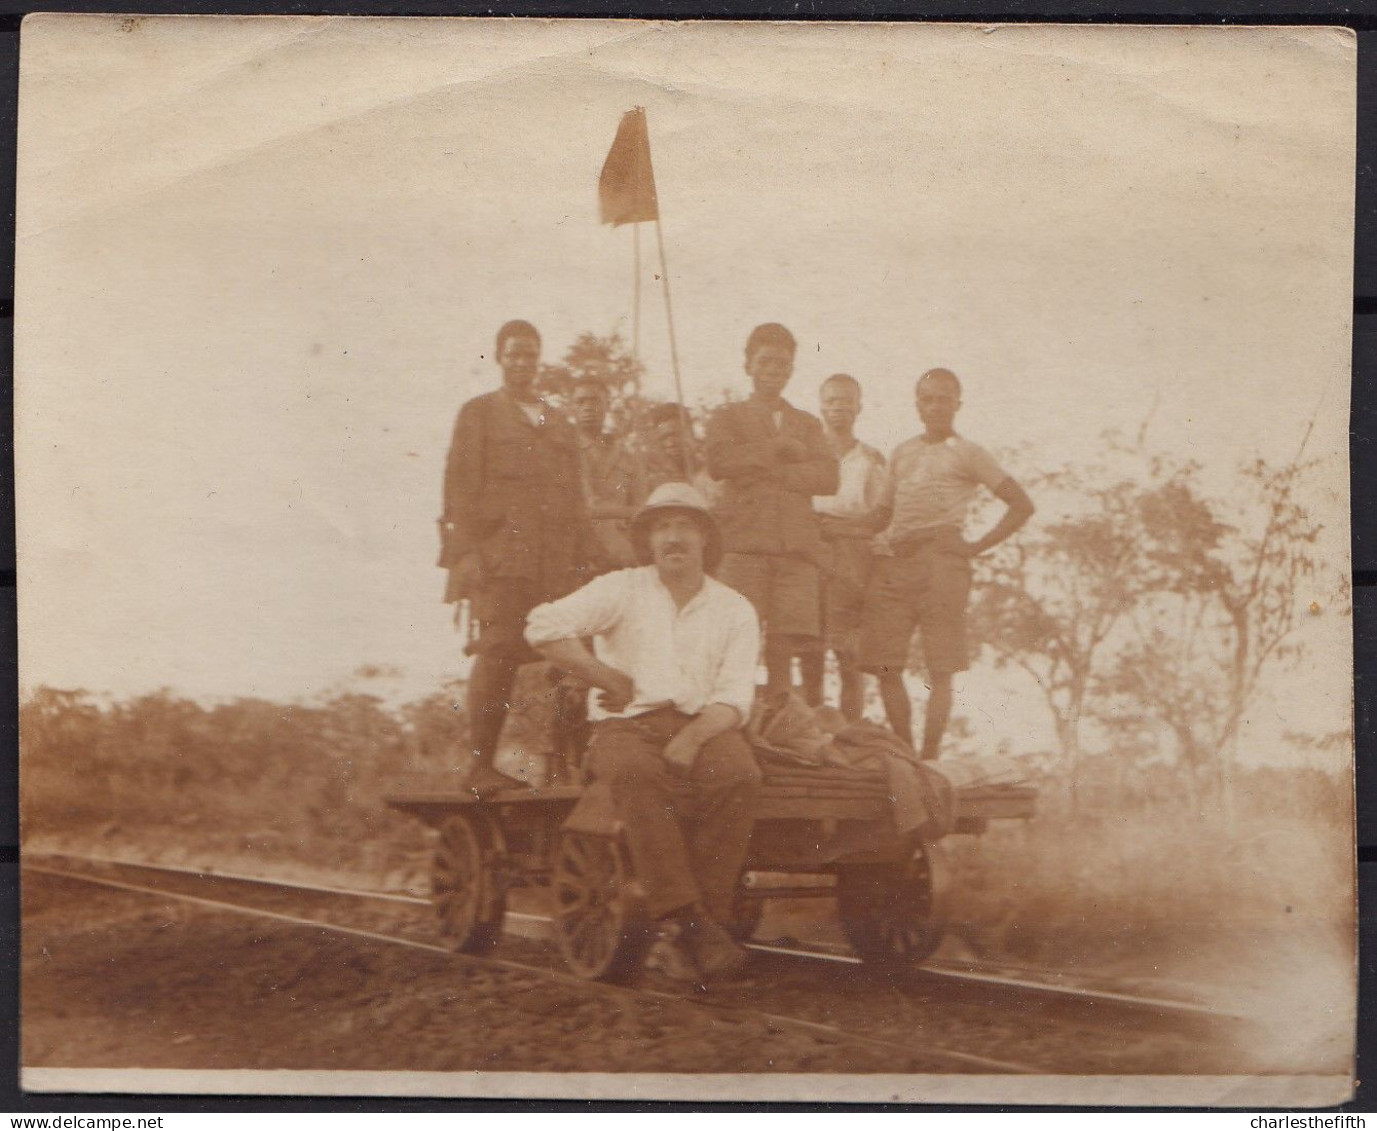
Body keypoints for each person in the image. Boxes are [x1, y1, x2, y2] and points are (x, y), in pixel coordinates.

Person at [525, 482, 762, 982]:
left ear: (705, 539)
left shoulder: (735, 607)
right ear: (648, 541)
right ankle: (693, 924)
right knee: (635, 774)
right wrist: (604, 676)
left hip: (705, 725)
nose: (673, 537)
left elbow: (736, 698)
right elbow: (542, 626)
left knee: (740, 775)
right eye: (662, 527)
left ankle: (703, 924)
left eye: (685, 526)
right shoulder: (622, 588)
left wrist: (695, 737)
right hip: (625, 726)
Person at [438, 319, 603, 797]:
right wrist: (464, 555)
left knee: (565, 656)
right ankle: (480, 768)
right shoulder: (479, 414)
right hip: (503, 558)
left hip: (556, 561)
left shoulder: (559, 423)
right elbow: (459, 488)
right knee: (498, 652)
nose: (523, 362)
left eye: (530, 354)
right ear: (499, 358)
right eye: (514, 353)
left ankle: (561, 766)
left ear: (540, 359)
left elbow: (576, 498)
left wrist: (587, 557)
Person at [859, 368, 1034, 759]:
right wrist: (838, 527)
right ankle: (906, 755)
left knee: (941, 668)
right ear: (917, 405)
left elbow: (1022, 505)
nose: (936, 406)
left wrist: (975, 546)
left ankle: (931, 757)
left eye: (945, 398)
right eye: (928, 399)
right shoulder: (902, 452)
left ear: (958, 404)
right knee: (886, 665)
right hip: (897, 560)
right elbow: (882, 514)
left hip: (942, 562)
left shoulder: (969, 452)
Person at [705, 323, 838, 698]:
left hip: (795, 550)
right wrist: (777, 448)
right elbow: (719, 461)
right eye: (765, 362)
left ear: (792, 369)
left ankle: (782, 731)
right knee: (736, 645)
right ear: (748, 365)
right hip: (744, 546)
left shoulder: (808, 424)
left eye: (783, 364)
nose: (774, 371)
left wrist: (767, 471)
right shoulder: (727, 417)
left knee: (785, 649)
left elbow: (828, 477)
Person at [800, 374, 887, 720]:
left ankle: (851, 731)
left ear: (859, 407)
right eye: (832, 401)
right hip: (809, 555)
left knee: (848, 654)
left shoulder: (869, 459)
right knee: (810, 651)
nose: (839, 408)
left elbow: (880, 519)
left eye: (846, 401)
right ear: (821, 405)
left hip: (851, 559)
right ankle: (809, 732)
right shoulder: (806, 455)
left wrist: (841, 529)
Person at [571, 377, 646, 569]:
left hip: (621, 554)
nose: (588, 407)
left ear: (607, 405)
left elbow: (642, 510)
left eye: (595, 400)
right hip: (577, 554)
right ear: (571, 407)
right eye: (581, 401)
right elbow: (583, 508)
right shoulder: (564, 453)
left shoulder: (626, 455)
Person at [643, 401, 720, 506]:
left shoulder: (713, 477)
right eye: (663, 438)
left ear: (691, 434)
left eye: (675, 435)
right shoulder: (657, 486)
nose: (670, 443)